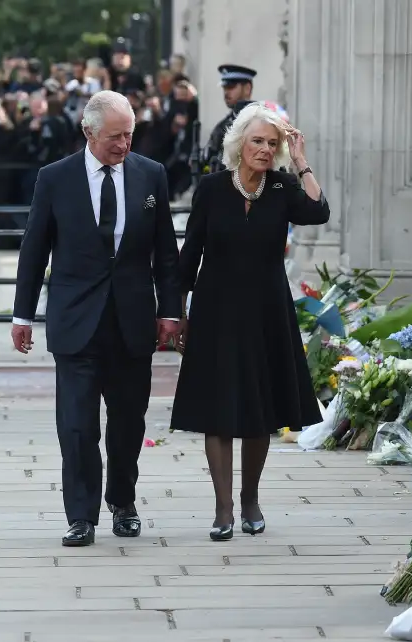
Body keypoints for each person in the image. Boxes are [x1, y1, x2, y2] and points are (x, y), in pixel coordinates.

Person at [10, 90, 182, 547]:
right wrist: (22, 314)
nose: (123, 145)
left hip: (132, 321)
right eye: (114, 137)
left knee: (127, 423)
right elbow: (34, 249)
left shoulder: (151, 174)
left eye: (129, 135)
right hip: (75, 321)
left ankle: (123, 503)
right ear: (88, 132)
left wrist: (171, 311)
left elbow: (166, 251)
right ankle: (81, 516)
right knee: (77, 425)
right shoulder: (54, 178)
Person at [172, 103, 329, 541]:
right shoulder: (211, 188)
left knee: (260, 410)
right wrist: (177, 311)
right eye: (257, 140)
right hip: (216, 309)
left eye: (272, 143)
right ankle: (222, 508)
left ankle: (250, 499)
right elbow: (190, 253)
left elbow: (318, 211)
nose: (264, 149)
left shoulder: (281, 186)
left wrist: (301, 161)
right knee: (218, 410)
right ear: (239, 142)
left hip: (266, 311)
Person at [202, 64, 256, 173]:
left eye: (231, 87)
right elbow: (207, 160)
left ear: (247, 88)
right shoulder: (222, 126)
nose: (226, 93)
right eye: (225, 88)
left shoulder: (261, 122)